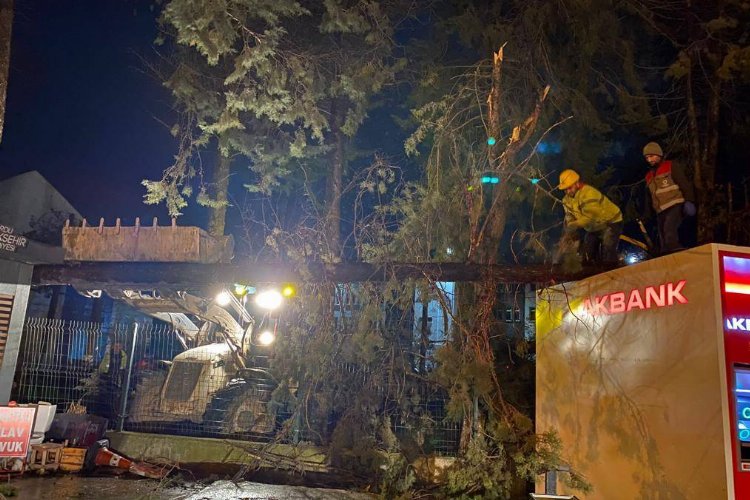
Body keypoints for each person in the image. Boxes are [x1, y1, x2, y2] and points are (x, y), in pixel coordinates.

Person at [555, 169, 624, 264]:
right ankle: (594, 274)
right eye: (565, 189)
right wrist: (570, 226)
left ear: (577, 183)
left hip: (611, 222)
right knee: (588, 254)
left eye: (569, 188)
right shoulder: (566, 200)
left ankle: (612, 271)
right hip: (593, 227)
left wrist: (573, 225)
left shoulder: (589, 193)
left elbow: (590, 217)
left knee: (608, 250)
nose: (567, 191)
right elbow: (569, 215)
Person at [642, 142, 695, 254]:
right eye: (647, 157)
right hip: (660, 210)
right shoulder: (648, 176)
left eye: (651, 156)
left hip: (675, 204)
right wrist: (647, 213)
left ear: (659, 155)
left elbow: (684, 184)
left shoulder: (670, 166)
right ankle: (666, 254)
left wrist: (689, 201)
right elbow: (649, 197)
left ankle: (676, 250)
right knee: (662, 237)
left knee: (669, 230)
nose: (649, 160)